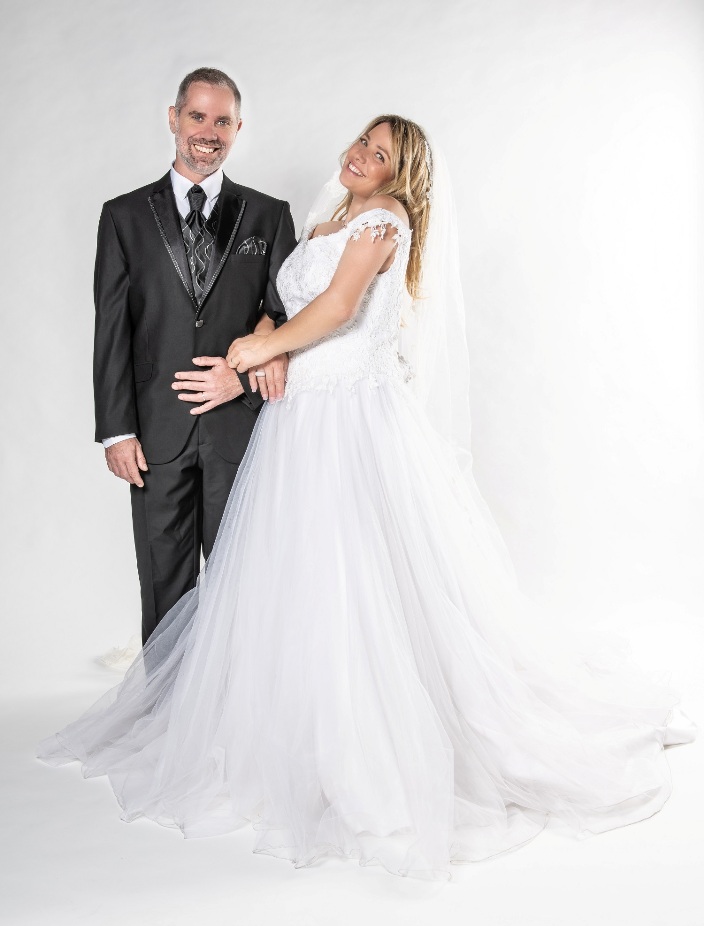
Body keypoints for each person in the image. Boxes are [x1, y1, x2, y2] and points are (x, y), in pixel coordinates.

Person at [39, 115, 695, 880]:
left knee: (355, 575)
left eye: (379, 154)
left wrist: (257, 351)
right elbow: (288, 301)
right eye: (361, 142)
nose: (359, 155)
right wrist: (269, 333)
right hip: (300, 415)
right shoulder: (330, 217)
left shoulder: (384, 218)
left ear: (398, 173)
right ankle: (292, 722)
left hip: (346, 417)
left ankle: (366, 744)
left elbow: (338, 308)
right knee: (301, 577)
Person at [95, 68, 296, 642]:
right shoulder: (124, 216)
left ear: (238, 128)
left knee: (245, 582)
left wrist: (242, 376)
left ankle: (240, 691)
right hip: (155, 433)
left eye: (223, 121)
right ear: (174, 118)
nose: (209, 132)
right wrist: (116, 432)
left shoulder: (268, 215)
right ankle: (166, 697)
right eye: (198, 116)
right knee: (163, 583)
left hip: (240, 430)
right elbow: (112, 327)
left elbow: (287, 317)